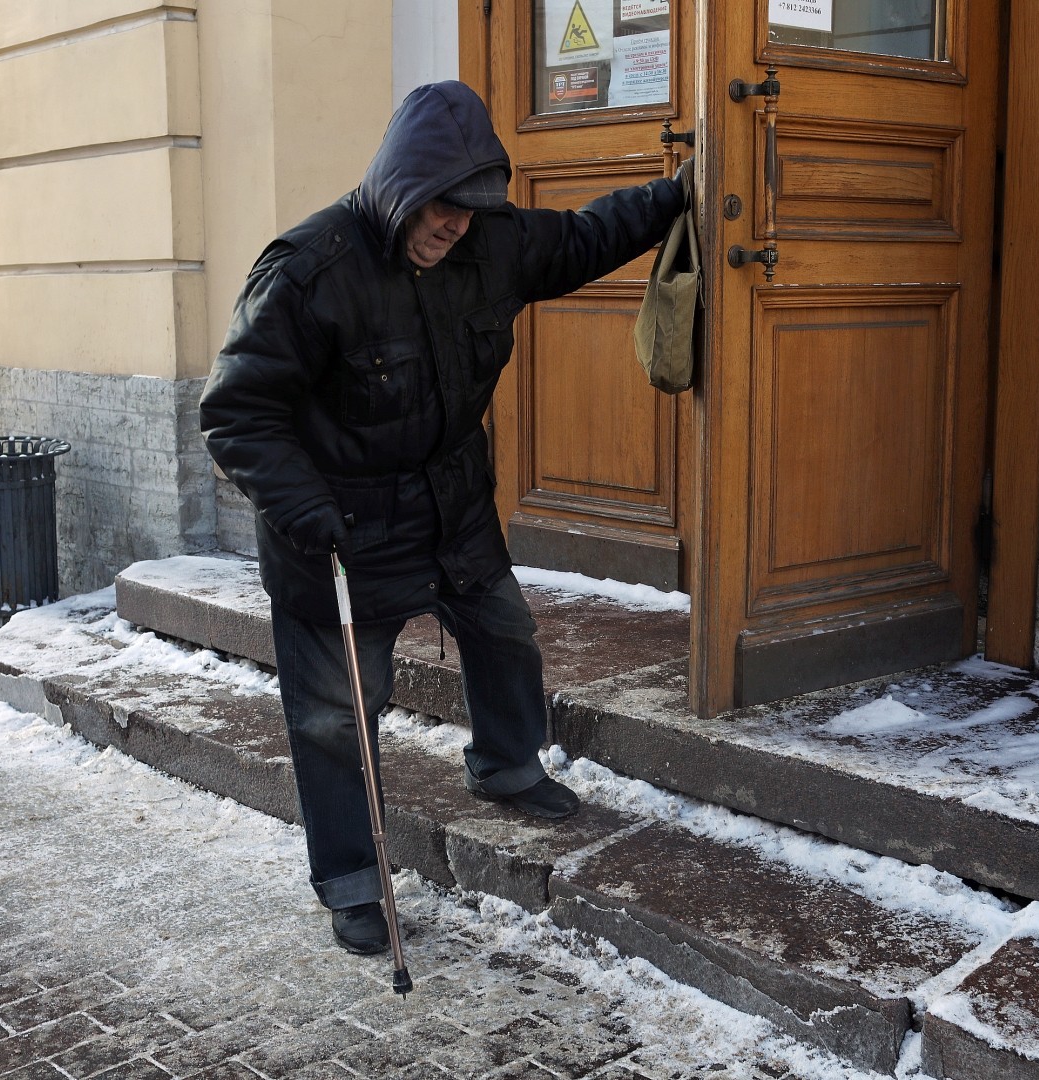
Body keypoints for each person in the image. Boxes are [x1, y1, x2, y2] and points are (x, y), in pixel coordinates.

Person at [200, 81, 688, 955]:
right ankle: (353, 881)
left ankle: (504, 766)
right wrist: (301, 505)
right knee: (337, 712)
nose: (454, 227)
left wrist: (676, 198)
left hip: (452, 506)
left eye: (469, 211)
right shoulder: (310, 271)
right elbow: (236, 411)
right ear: (399, 184)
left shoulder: (493, 243)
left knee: (504, 633)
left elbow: (583, 237)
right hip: (338, 533)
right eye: (441, 209)